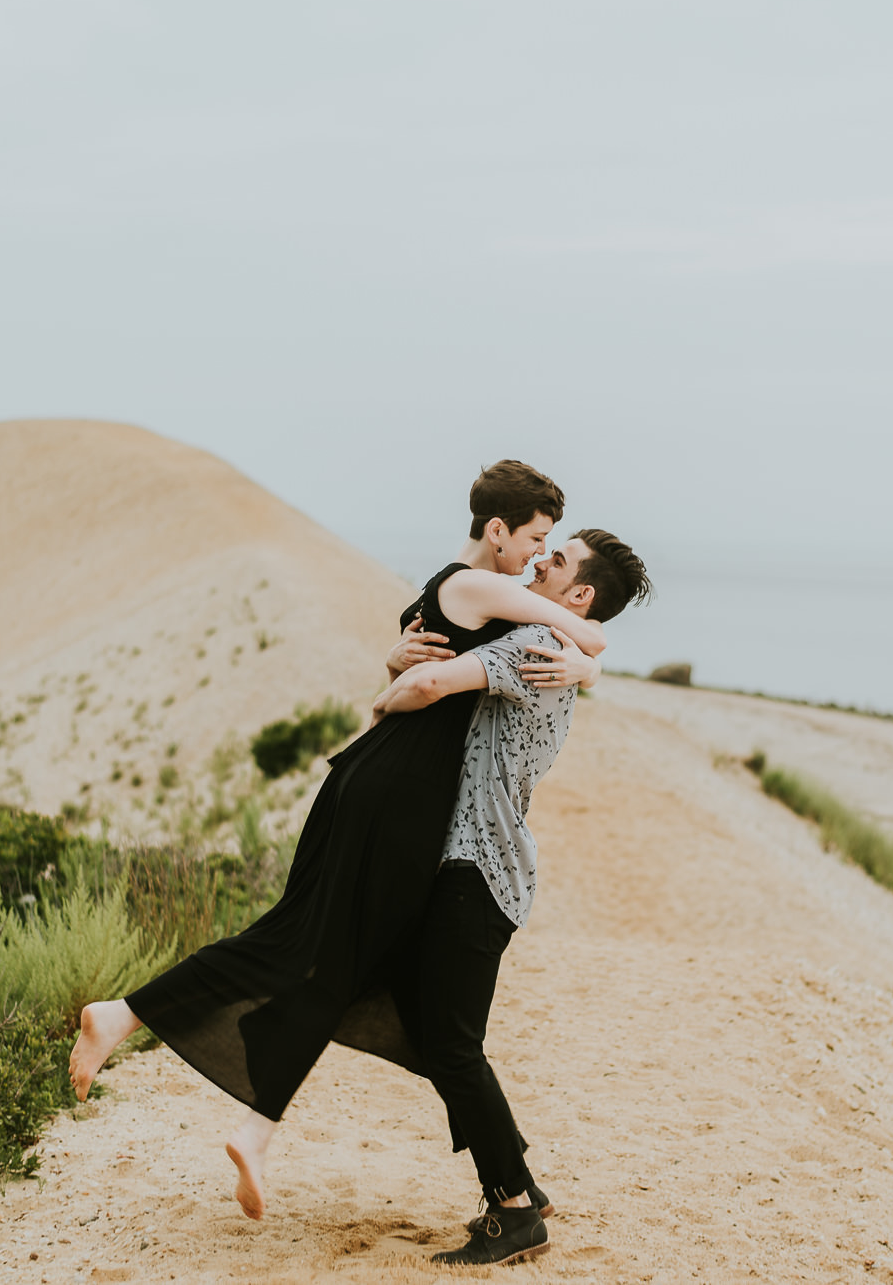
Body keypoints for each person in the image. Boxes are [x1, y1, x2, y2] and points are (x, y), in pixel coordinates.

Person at [67, 461, 604, 1219]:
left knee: (336, 961)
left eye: (551, 549)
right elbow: (573, 626)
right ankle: (127, 1016)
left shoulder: (469, 592)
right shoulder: (479, 584)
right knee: (306, 944)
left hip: (396, 790)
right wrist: (583, 653)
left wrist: (580, 663)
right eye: (535, 540)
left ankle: (246, 1122)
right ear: (496, 531)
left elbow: (539, 635)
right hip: (398, 797)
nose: (536, 557)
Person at [371, 528, 651, 1267]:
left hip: (478, 869)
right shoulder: (559, 647)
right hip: (476, 867)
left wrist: (385, 697)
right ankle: (519, 1179)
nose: (538, 562)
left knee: (452, 1046)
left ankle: (515, 1209)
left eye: (555, 561)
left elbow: (431, 686)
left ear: (579, 594)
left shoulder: (535, 649)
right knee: (441, 1037)